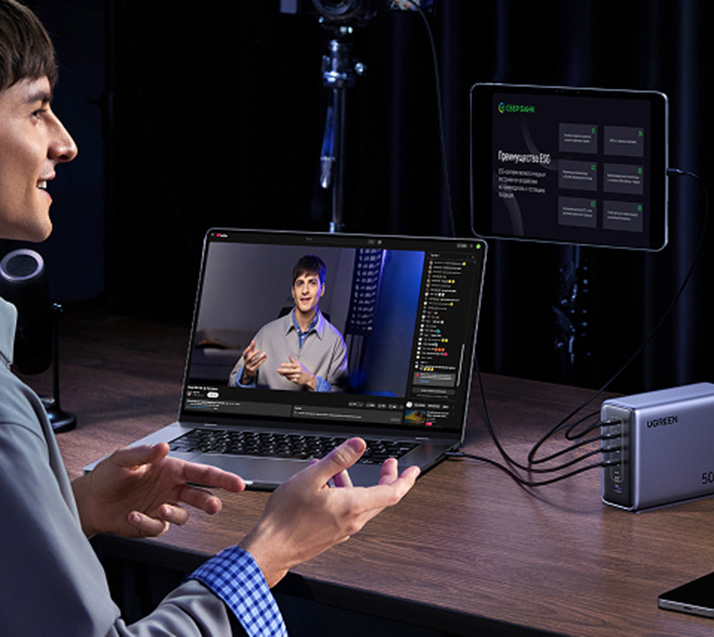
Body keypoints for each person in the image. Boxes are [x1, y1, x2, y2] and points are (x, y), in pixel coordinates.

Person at [0, 2, 419, 634]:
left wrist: (70, 508)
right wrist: (271, 550)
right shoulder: (4, 418)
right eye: (36, 109)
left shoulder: (333, 343)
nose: (66, 140)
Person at [229, 255, 349, 392]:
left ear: (322, 290)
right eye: (300, 283)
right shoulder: (266, 333)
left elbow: (342, 397)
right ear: (293, 291)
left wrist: (311, 381)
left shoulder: (336, 342)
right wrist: (246, 375)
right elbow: (232, 383)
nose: (305, 291)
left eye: (312, 283)